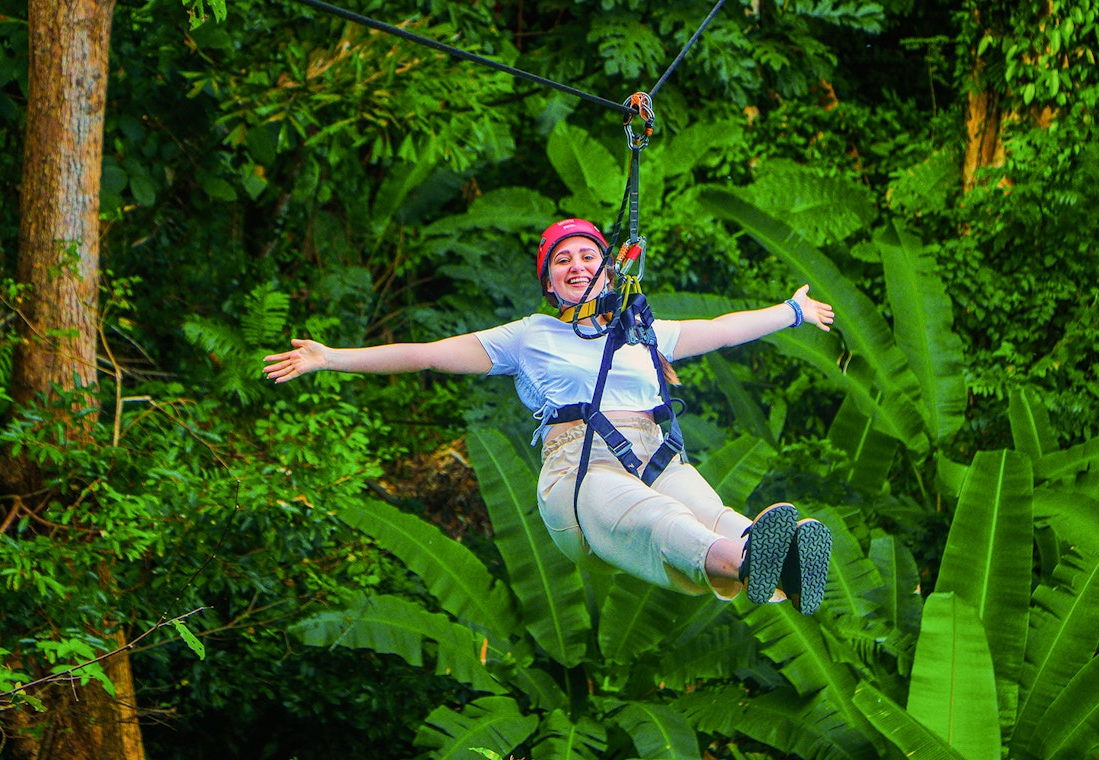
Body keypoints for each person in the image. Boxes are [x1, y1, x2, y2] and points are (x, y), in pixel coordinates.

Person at [264, 218, 836, 613]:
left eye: (589, 256)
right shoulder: (529, 337)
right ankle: (748, 559)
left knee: (712, 511)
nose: (577, 265)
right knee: (658, 517)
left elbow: (722, 330)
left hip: (654, 451)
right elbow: (428, 354)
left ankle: (771, 562)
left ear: (609, 272)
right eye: (563, 261)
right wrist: (329, 358)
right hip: (580, 469)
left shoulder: (642, 331)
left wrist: (792, 311)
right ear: (549, 283)